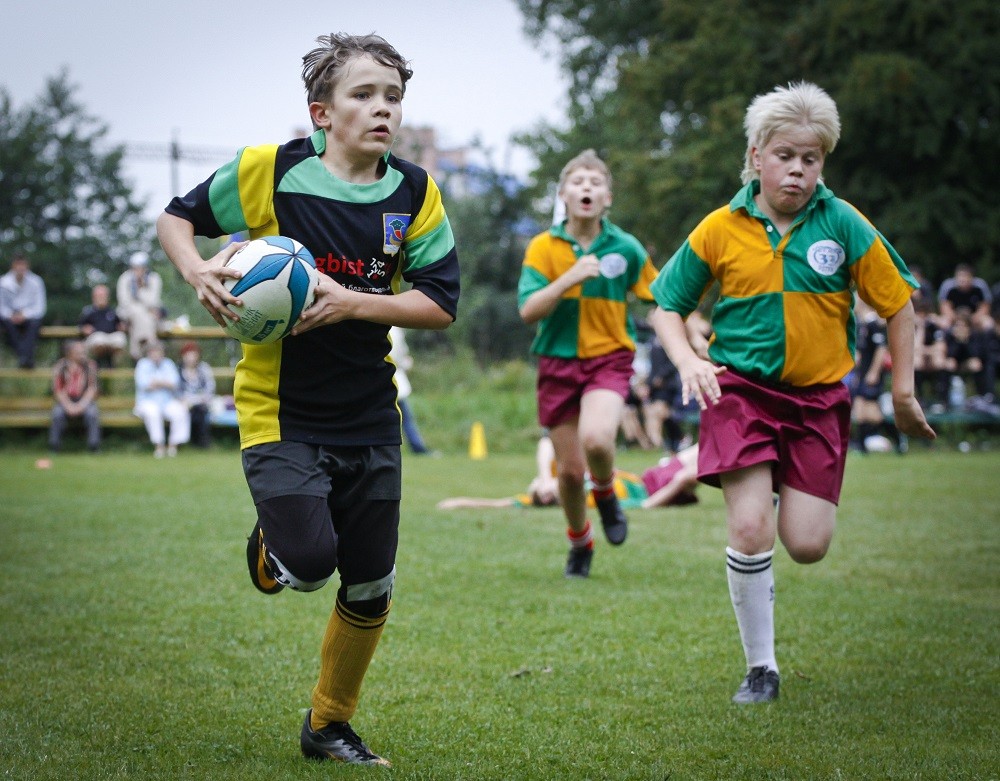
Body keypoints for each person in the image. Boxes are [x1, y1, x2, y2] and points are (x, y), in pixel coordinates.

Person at [155, 33, 459, 766]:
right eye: (364, 94)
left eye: (392, 96)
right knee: (311, 562)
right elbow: (176, 217)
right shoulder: (269, 172)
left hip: (369, 412)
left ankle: (329, 724)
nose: (382, 108)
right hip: (279, 409)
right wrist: (196, 268)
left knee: (372, 581)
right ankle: (273, 551)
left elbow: (440, 302)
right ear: (321, 112)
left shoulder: (415, 193)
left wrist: (351, 302)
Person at [648, 82, 936, 705]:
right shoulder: (721, 227)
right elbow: (666, 306)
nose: (798, 169)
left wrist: (904, 391)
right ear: (756, 156)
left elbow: (900, 305)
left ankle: (782, 479)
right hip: (741, 393)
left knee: (806, 545)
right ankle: (762, 669)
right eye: (785, 156)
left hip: (816, 402)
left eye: (811, 158)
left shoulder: (844, 223)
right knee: (751, 527)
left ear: (822, 162)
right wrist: (687, 358)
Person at [518, 149, 659, 578]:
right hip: (557, 364)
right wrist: (570, 277)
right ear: (562, 194)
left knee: (598, 440)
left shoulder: (626, 247)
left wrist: (694, 336)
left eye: (595, 183)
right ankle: (580, 542)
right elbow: (528, 310)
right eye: (578, 182)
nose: (587, 189)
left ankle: (608, 494)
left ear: (607, 198)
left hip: (608, 359)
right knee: (570, 475)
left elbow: (660, 300)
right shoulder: (543, 247)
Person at [437, 436, 699, 512]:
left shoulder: (561, 478)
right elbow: (646, 505)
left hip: (648, 476)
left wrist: (544, 478)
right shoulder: (584, 501)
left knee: (706, 445)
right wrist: (679, 484)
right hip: (654, 488)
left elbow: (546, 442)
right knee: (707, 457)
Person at [133, 340, 190, 457]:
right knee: (153, 413)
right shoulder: (142, 364)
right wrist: (164, 383)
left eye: (158, 352)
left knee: (180, 411)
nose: (156, 354)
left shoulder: (168, 363)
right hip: (147, 402)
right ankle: (159, 446)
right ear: (148, 353)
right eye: (153, 352)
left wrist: (157, 382)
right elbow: (144, 384)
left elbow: (174, 383)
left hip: (167, 401)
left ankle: (173, 445)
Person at [849, 299, 890, 452]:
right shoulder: (862, 324)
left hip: (871, 375)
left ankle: (897, 437)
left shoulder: (873, 323)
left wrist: (874, 372)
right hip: (862, 374)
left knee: (870, 413)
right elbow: (861, 353)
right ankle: (861, 447)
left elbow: (881, 349)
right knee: (861, 411)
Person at [48, 339, 101, 453]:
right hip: (65, 400)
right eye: (79, 352)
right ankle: (54, 447)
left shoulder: (90, 365)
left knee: (92, 413)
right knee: (57, 414)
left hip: (85, 400)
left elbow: (92, 388)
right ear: (69, 353)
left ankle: (94, 447)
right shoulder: (60, 366)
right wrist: (68, 406)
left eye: (83, 351)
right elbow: (58, 390)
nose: (83, 354)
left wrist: (81, 405)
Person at [388, 326, 432, 454]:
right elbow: (400, 356)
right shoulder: (395, 330)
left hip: (382, 380)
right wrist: (407, 363)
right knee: (406, 418)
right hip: (394, 380)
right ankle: (417, 447)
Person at [0, 254, 47, 369]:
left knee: (34, 324)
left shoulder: (36, 281)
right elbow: (1, 306)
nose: (20, 268)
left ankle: (23, 357)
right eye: (18, 265)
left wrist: (24, 315)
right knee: (8, 325)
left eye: (23, 265)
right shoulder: (3, 282)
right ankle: (26, 357)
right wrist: (11, 315)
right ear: (13, 266)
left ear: (27, 266)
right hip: (9, 318)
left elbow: (40, 307)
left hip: (30, 317)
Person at [117, 251, 163, 361]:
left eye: (141, 267)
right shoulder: (125, 278)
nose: (138, 271)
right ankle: (151, 347)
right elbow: (124, 302)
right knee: (141, 314)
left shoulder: (154, 278)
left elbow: (154, 301)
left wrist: (140, 289)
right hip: (128, 313)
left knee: (146, 318)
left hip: (147, 314)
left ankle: (137, 353)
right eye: (135, 267)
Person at [79, 283, 128, 367]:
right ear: (94, 297)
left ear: (108, 297)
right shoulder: (88, 311)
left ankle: (113, 363)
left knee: (120, 339)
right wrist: (84, 329)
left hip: (111, 338)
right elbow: (80, 326)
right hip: (96, 338)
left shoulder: (113, 311)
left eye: (103, 295)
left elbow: (120, 324)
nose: (101, 297)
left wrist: (122, 327)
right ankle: (100, 362)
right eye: (99, 295)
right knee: (99, 340)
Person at [178, 341, 216, 448]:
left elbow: (210, 387)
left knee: (201, 410)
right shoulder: (178, 370)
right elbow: (177, 390)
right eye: (188, 355)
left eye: (193, 354)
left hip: (202, 401)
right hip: (184, 402)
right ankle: (189, 442)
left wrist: (199, 399)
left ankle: (202, 442)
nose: (191, 358)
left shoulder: (204, 368)